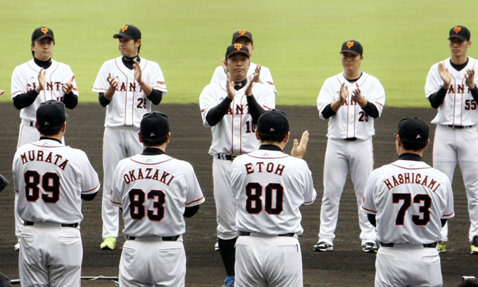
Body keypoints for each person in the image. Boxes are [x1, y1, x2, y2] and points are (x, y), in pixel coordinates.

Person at [199, 43, 276, 286]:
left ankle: (256, 272)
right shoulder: (211, 90)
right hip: (223, 162)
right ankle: (232, 274)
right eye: (234, 59)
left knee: (256, 219)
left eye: (243, 58)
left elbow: (266, 121)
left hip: (253, 163)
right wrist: (228, 98)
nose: (239, 63)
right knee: (226, 222)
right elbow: (209, 119)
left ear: (249, 62)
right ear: (225, 64)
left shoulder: (263, 90)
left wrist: (250, 96)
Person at [92, 24, 168, 250]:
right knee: (112, 182)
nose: (122, 44)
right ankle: (109, 235)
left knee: (143, 179)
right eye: (120, 40)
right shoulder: (108, 66)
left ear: (138, 42)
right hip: (113, 129)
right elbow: (102, 101)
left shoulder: (152, 68)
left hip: (140, 131)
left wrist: (141, 81)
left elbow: (157, 98)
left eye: (126, 40)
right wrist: (110, 91)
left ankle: (142, 228)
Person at [109, 111, 205, 286]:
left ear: (139, 136)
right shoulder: (183, 168)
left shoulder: (123, 166)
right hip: (168, 251)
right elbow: (192, 209)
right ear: (168, 137)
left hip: (134, 249)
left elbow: (122, 206)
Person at [12, 100, 100, 286]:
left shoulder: (21, 153)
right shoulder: (77, 156)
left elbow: (20, 190)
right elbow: (91, 192)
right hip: (66, 238)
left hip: (30, 235)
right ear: (64, 126)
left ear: (36, 125)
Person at [362, 117, 454, 287]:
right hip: (428, 258)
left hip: (390, 257)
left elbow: (371, 216)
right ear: (426, 144)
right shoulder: (441, 179)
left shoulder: (378, 175)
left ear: (398, 140)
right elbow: (442, 220)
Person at [11, 26, 79, 251]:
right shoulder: (21, 71)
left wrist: (69, 94)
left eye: (49, 41)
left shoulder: (64, 69)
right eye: (41, 42)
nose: (46, 45)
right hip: (30, 129)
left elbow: (72, 104)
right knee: (23, 182)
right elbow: (18, 103)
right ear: (32, 46)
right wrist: (36, 90)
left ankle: (56, 225)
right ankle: (22, 234)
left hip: (57, 134)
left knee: (56, 176)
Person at [314, 40, 386, 252]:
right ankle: (325, 237)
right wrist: (339, 101)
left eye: (353, 56)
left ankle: (369, 237)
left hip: (362, 144)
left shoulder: (373, 83)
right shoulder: (330, 83)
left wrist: (362, 101)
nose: (348, 59)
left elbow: (376, 112)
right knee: (331, 192)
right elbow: (323, 113)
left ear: (361, 58)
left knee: (364, 193)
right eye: (345, 55)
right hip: (335, 144)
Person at [230, 110, 316, 287]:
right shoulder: (298, 166)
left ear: (256, 134)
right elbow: (308, 199)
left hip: (247, 246)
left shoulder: (238, 163)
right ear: (287, 136)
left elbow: (237, 194)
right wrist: (297, 159)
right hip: (284, 247)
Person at [425, 25, 478, 254]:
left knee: (474, 188)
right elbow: (433, 102)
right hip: (444, 133)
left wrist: (473, 87)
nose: (456, 45)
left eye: (460, 41)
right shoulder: (438, 69)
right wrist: (446, 86)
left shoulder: (477, 67)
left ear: (468, 43)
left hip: (471, 132)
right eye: (452, 41)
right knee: (440, 186)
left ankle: (476, 236)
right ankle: (439, 237)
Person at [210, 30, 276, 95]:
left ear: (252, 48)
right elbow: (212, 94)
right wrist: (228, 72)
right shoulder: (220, 70)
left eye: (246, 44)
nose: (241, 47)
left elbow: (271, 96)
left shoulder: (263, 70)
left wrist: (258, 81)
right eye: (238, 43)